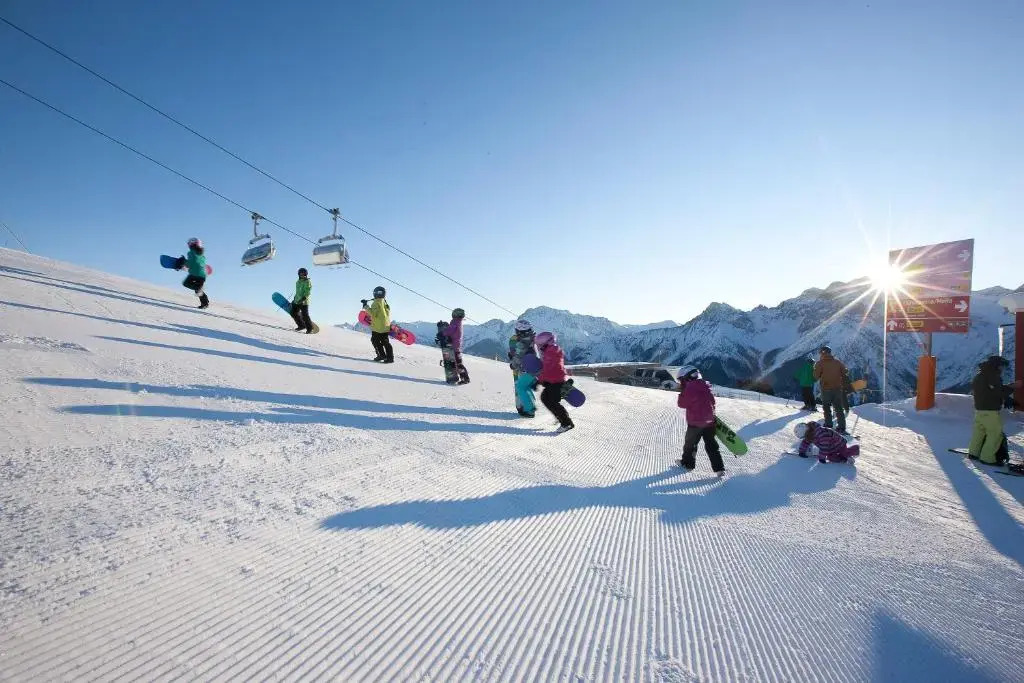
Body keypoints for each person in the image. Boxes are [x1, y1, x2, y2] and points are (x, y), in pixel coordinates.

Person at [969, 355, 1021, 464]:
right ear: (996, 365)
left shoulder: (980, 375)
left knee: (979, 432)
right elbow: (998, 391)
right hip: (990, 411)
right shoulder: (993, 376)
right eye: (1001, 366)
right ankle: (987, 458)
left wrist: (1009, 388)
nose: (1002, 369)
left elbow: (991, 390)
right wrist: (1011, 390)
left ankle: (974, 453)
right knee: (995, 434)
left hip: (979, 410)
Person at [676, 366, 725, 477]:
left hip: (695, 423)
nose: (681, 383)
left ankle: (687, 464)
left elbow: (681, 404)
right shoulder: (706, 386)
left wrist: (682, 393)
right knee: (711, 445)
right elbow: (713, 401)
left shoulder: (689, 388)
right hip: (709, 422)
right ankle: (719, 468)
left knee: (690, 445)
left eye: (681, 380)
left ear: (686, 378)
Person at [535, 331, 574, 432]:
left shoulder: (550, 353)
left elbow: (548, 369)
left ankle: (566, 423)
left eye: (540, 345)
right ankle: (561, 417)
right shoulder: (551, 351)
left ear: (546, 344)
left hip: (555, 382)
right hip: (554, 380)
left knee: (552, 401)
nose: (539, 348)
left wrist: (539, 381)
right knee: (545, 398)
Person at [813, 345, 848, 434]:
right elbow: (845, 371)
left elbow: (816, 377)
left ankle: (828, 425)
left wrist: (818, 370)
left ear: (822, 353)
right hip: (837, 388)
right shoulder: (837, 362)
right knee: (839, 408)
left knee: (826, 407)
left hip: (826, 389)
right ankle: (841, 427)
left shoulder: (820, 363)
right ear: (830, 353)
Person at [508, 319, 537, 416]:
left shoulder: (519, 341)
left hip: (521, 368)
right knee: (526, 387)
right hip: (534, 368)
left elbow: (518, 356)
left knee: (520, 387)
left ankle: (525, 408)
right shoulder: (534, 338)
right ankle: (529, 406)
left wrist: (513, 363)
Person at [794, 422, 859, 463]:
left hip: (839, 444)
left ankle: (855, 449)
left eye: (804, 437)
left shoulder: (821, 434)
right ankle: (844, 458)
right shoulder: (809, 435)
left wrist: (821, 458)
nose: (805, 438)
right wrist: (802, 452)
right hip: (831, 448)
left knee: (844, 452)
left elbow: (824, 447)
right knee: (832, 459)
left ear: (806, 433)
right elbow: (805, 442)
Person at [361, 286, 394, 363]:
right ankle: (390, 358)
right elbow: (388, 311)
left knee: (375, 340)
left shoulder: (376, 303)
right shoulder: (384, 302)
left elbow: (373, 314)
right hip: (385, 326)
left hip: (378, 327)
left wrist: (365, 306)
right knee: (385, 342)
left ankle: (381, 355)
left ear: (375, 293)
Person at [175, 237, 209, 309]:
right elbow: (197, 263)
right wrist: (184, 263)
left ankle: (199, 289)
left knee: (186, 283)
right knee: (198, 290)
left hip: (194, 274)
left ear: (191, 245)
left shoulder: (191, 252)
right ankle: (205, 304)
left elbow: (190, 263)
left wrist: (183, 263)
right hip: (202, 275)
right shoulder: (202, 254)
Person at [440, 308, 470, 384]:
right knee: (458, 363)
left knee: (458, 363)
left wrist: (442, 333)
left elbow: (450, 330)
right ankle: (464, 377)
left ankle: (465, 378)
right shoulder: (459, 322)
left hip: (453, 346)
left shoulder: (455, 322)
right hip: (457, 346)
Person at [289, 268, 314, 333]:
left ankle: (310, 329)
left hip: (304, 302)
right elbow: (297, 292)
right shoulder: (298, 282)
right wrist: (294, 299)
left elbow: (308, 291)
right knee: (293, 313)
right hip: (297, 301)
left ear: (306, 274)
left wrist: (303, 298)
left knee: (305, 315)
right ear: (299, 274)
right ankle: (301, 325)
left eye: (304, 274)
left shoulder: (307, 282)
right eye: (301, 274)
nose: (302, 275)